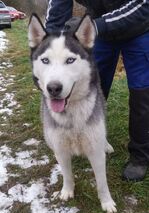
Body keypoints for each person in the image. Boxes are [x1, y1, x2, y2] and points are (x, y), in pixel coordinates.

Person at [45, 0, 149, 181]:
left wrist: (95, 25)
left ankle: (140, 156)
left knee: (142, 92)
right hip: (99, 30)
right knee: (88, 87)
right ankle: (81, 137)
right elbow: (56, 13)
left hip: (138, 28)